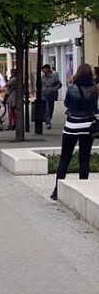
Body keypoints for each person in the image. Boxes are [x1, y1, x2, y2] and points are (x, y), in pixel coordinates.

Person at [50, 64, 99, 200]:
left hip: (72, 126)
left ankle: (57, 191)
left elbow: (66, 103)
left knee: (65, 158)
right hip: (88, 127)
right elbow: (94, 107)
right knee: (84, 159)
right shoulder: (95, 88)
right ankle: (83, 190)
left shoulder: (72, 87)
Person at [42, 64, 63, 129]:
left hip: (51, 94)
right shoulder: (42, 76)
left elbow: (59, 84)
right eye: (43, 69)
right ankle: (48, 122)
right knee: (47, 109)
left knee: (51, 109)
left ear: (48, 69)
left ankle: (48, 119)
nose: (44, 70)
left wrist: (54, 89)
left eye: (45, 69)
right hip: (44, 94)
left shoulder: (54, 76)